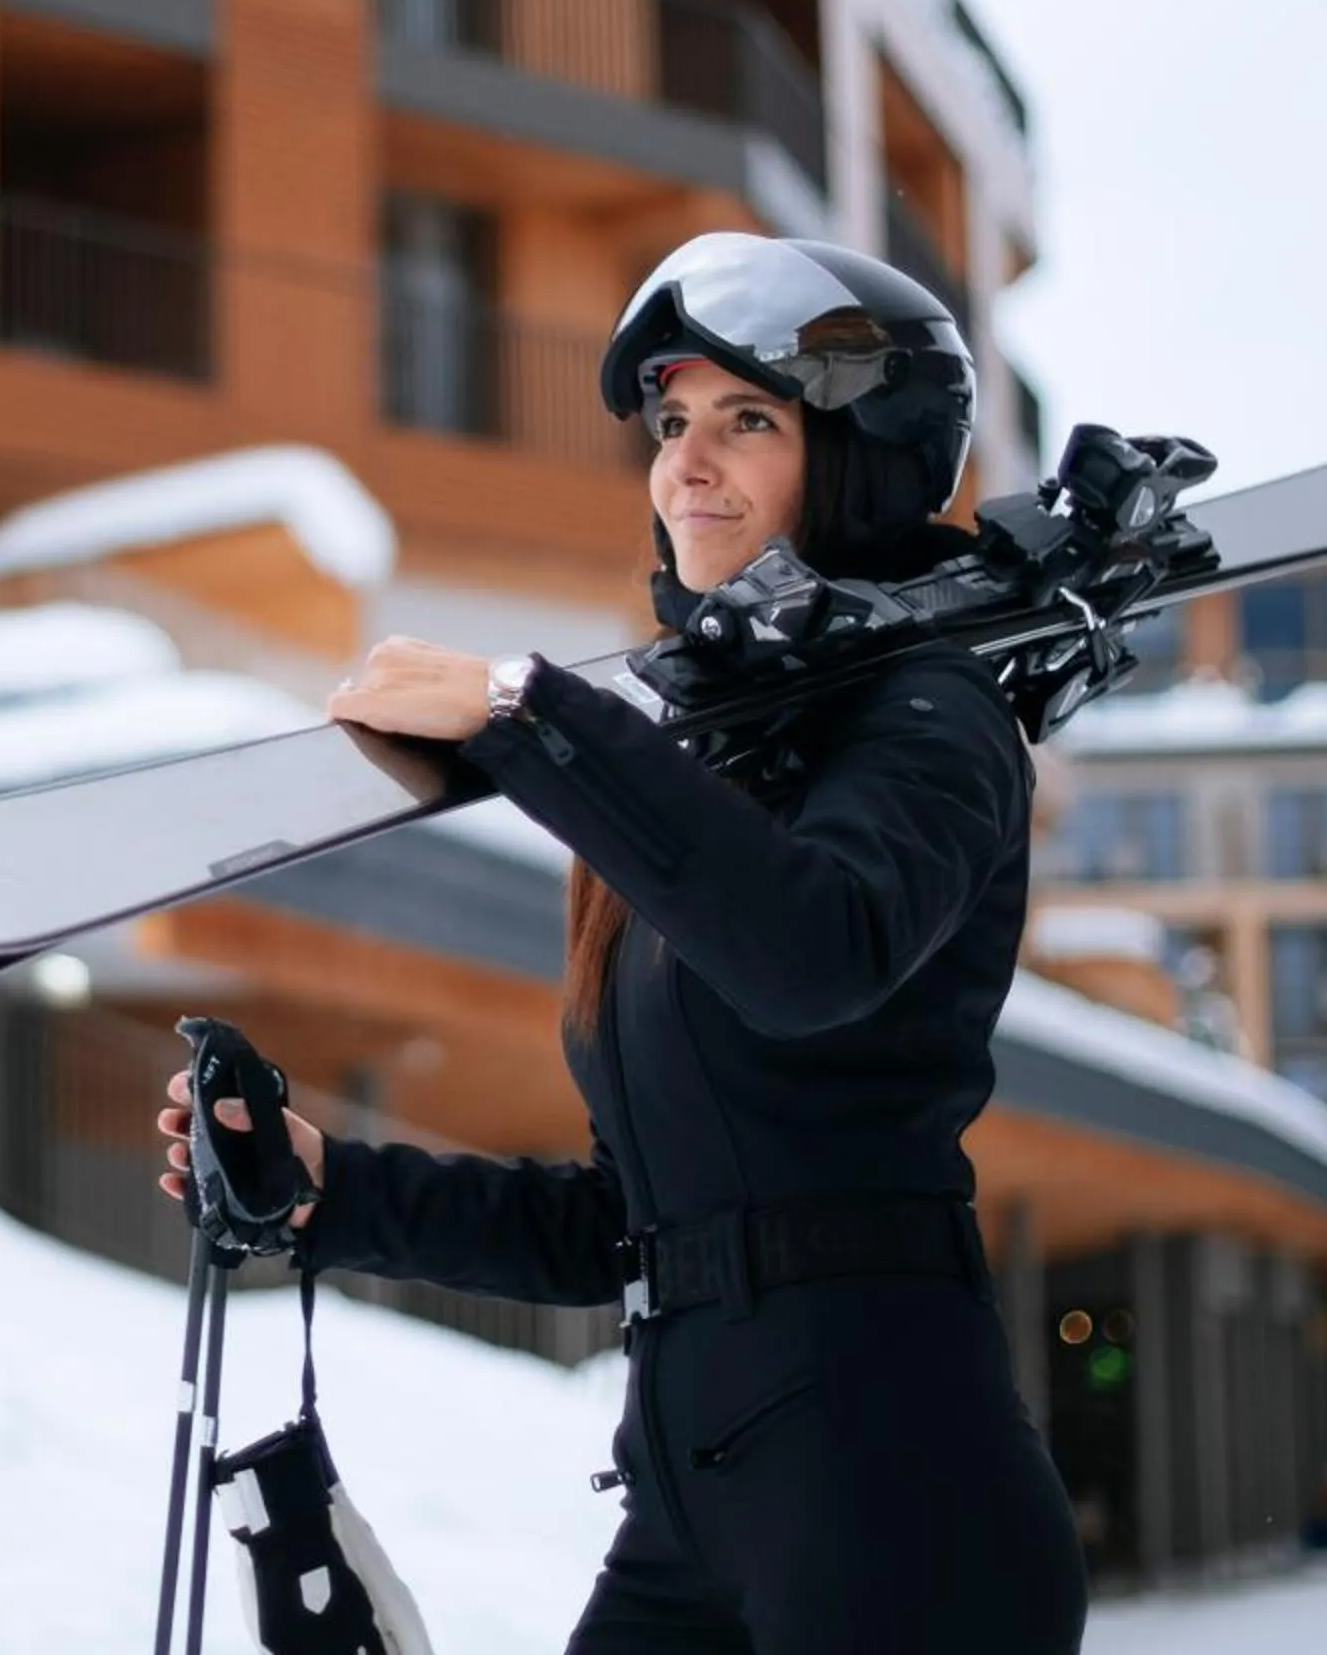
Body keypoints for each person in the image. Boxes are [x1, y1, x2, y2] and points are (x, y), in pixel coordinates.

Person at [157, 232, 1088, 1653]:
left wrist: (535, 720)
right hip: (692, 1495)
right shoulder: (691, 774)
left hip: (897, 1500)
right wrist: (333, 1193)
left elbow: (810, 953)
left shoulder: (933, 720)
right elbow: (632, 1224)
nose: (686, 467)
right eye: (671, 425)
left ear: (864, 462)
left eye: (750, 422)